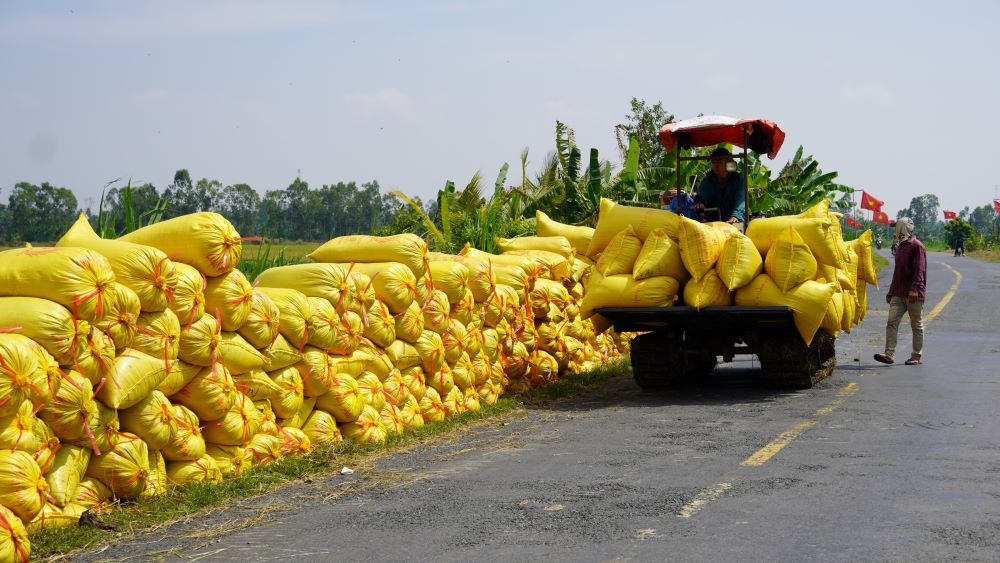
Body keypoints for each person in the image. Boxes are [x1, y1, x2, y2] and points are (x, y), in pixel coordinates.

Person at [874, 217, 926, 366]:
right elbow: (897, 272)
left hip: (913, 294)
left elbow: (920, 270)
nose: (895, 230)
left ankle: (916, 355)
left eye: (896, 227)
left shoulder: (917, 246)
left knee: (916, 325)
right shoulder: (900, 247)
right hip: (898, 293)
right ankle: (888, 354)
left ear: (902, 227)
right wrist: (891, 292)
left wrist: (915, 288)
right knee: (891, 322)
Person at [694, 147, 745, 228]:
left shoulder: (738, 180)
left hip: (732, 221)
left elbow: (741, 201)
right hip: (712, 221)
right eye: (714, 162)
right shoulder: (708, 179)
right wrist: (699, 203)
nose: (716, 165)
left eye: (720, 162)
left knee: (738, 229)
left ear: (728, 163)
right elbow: (701, 196)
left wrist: (735, 216)